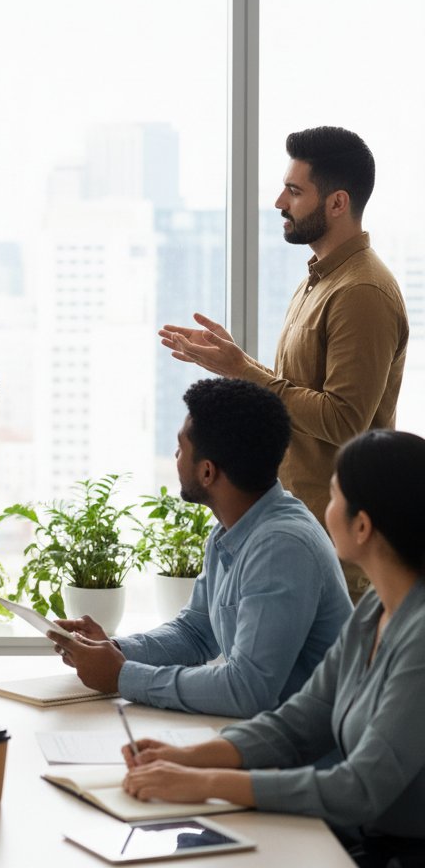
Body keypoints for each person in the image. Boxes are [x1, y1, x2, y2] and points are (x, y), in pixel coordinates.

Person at [122, 429, 425, 868]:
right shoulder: (376, 608)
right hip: (358, 838)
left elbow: (357, 789)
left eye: (335, 495)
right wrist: (184, 758)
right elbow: (298, 724)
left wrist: (205, 781)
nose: (324, 509)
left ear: (362, 526)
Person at [160, 127, 408, 601]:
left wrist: (244, 371)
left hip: (340, 555)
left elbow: (344, 420)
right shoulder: (319, 281)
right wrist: (235, 361)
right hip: (303, 535)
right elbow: (293, 389)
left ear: (337, 203)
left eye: (294, 191)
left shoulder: (361, 292)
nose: (279, 201)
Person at [48, 378, 351, 717]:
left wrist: (121, 676)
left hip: (308, 754)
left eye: (181, 447)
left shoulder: (280, 547)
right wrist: (114, 650)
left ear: (207, 471)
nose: (175, 456)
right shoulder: (232, 526)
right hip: (267, 736)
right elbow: (195, 632)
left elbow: (247, 690)